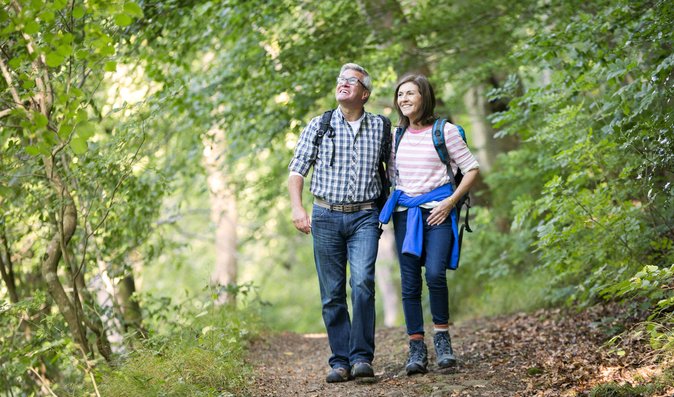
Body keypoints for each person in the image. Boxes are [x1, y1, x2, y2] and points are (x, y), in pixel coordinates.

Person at [288, 63, 389, 383]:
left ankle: (361, 358)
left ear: (365, 93)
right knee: (332, 293)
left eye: (352, 81)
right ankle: (340, 361)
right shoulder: (319, 125)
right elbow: (296, 171)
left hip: (365, 216)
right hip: (325, 216)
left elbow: (396, 171)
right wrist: (296, 208)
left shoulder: (381, 127)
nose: (343, 84)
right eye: (340, 79)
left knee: (362, 284)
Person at [379, 74, 479, 375]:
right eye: (400, 95)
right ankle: (416, 348)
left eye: (410, 93)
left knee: (435, 273)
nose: (404, 99)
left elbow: (471, 168)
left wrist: (450, 202)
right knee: (409, 283)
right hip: (406, 215)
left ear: (425, 97)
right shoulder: (396, 136)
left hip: (439, 211)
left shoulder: (444, 131)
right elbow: (393, 177)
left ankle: (443, 339)